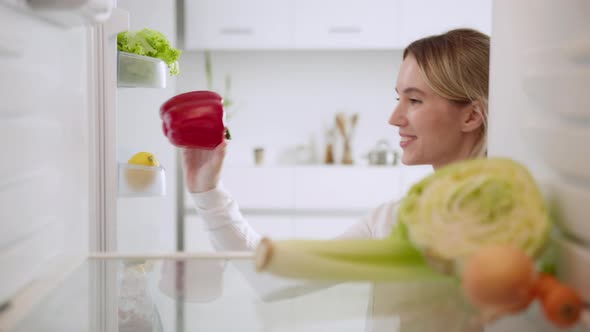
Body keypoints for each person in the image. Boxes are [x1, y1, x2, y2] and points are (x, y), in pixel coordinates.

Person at [182, 28, 490, 331]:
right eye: (399, 98)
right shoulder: (391, 221)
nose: (394, 118)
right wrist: (207, 192)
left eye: (415, 100)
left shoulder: (517, 222)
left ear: (471, 116)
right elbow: (274, 278)